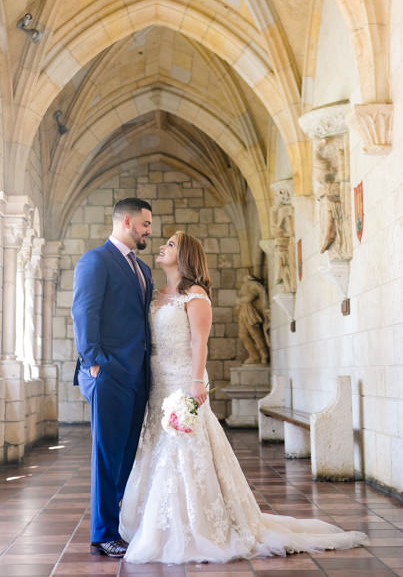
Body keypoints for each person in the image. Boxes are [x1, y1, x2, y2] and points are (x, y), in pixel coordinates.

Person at [119, 231, 368, 563]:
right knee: (155, 446)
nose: (162, 247)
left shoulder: (194, 295)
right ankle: (153, 523)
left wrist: (196, 382)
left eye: (171, 245)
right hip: (157, 385)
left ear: (186, 256)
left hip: (183, 382)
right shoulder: (154, 294)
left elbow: (199, 343)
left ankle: (194, 527)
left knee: (181, 451)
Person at [71, 198, 153, 558]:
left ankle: (117, 527)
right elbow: (84, 312)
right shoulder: (96, 260)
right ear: (128, 221)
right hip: (107, 374)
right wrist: (95, 364)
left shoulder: (144, 269)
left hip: (137, 375)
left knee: (125, 455)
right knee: (106, 454)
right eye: (146, 224)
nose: (149, 230)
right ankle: (103, 533)